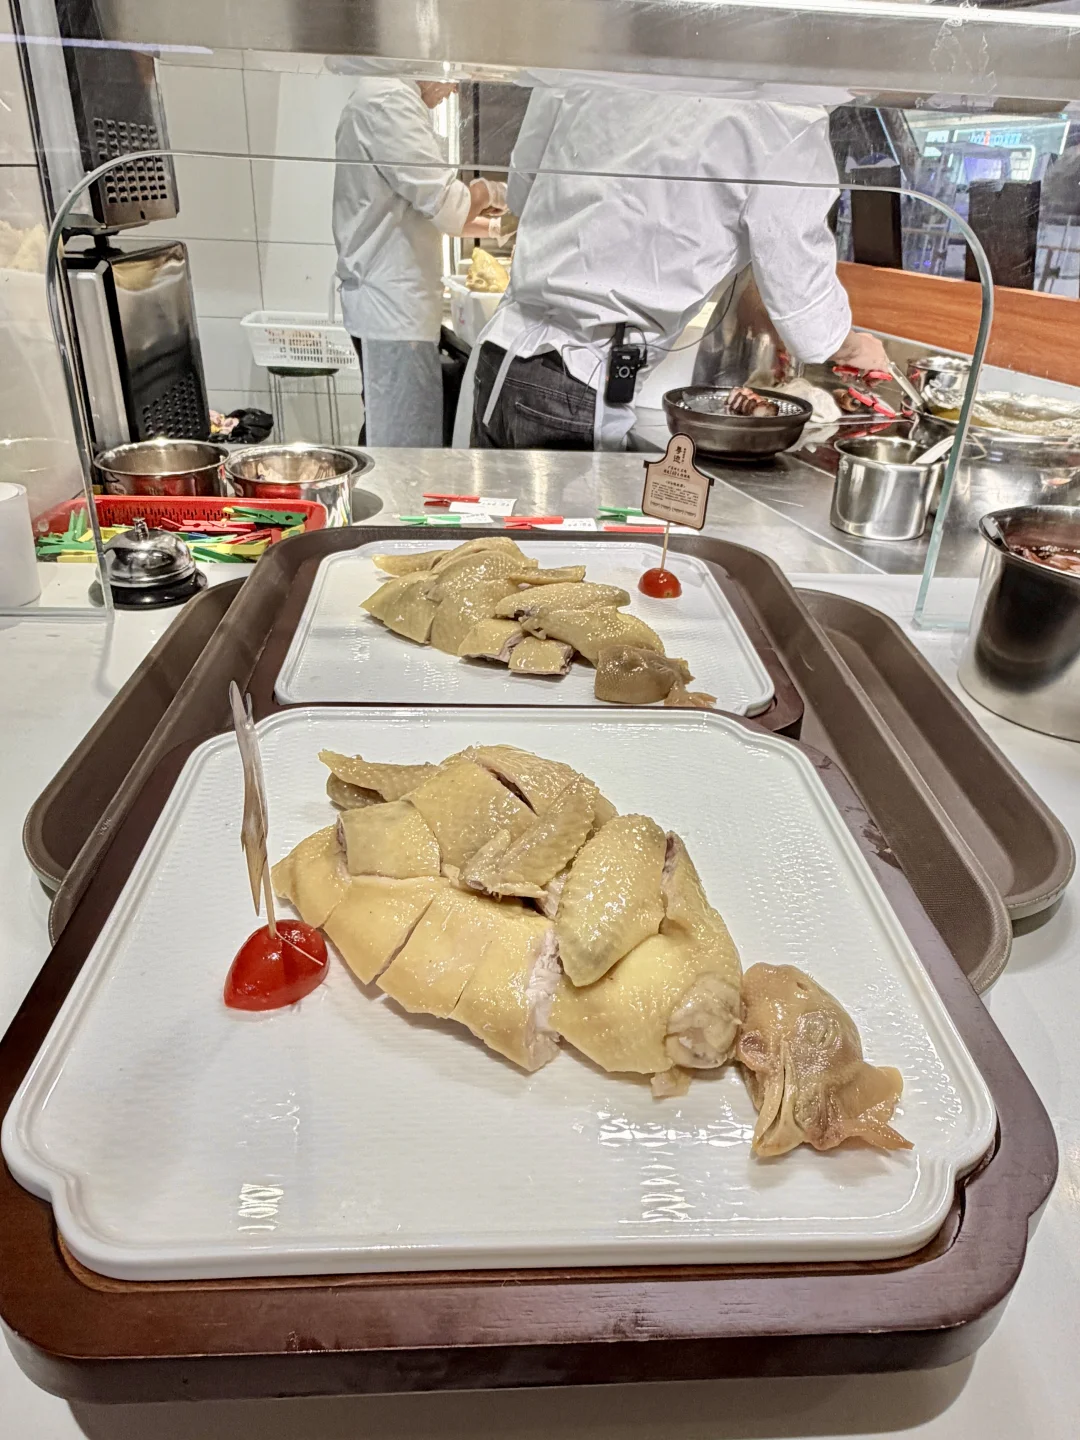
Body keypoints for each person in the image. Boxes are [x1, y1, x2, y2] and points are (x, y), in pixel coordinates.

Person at [471, 77, 891, 450]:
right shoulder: (787, 112)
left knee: (491, 519)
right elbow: (804, 308)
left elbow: (522, 192)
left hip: (501, 353)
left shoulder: (599, 53)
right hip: (580, 381)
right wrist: (854, 347)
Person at [333, 74, 506, 447]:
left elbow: (426, 211)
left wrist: (497, 228)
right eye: (452, 76)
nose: (455, 89)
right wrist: (492, 190)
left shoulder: (383, 97)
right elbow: (449, 207)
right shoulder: (389, 101)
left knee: (395, 430)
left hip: (394, 307)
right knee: (402, 443)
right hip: (393, 311)